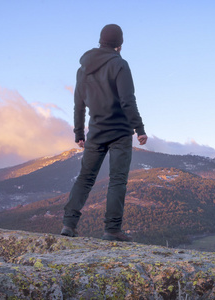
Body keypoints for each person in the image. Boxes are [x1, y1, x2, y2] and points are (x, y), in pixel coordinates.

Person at [61, 24, 147, 242]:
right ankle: (112, 229)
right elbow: (128, 101)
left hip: (96, 132)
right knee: (117, 180)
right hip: (119, 132)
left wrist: (79, 132)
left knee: (85, 178)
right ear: (120, 43)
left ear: (100, 41)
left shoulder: (83, 69)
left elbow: (78, 104)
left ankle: (69, 225)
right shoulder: (120, 65)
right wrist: (139, 129)